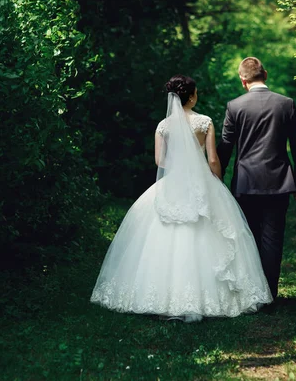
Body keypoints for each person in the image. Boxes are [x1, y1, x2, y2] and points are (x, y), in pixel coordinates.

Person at [90, 75, 272, 322]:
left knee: (160, 237)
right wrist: (216, 180)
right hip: (201, 182)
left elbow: (159, 161)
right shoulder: (204, 123)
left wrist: (178, 169)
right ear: (192, 96)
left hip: (173, 182)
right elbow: (213, 159)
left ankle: (162, 296)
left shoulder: (163, 126)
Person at [217, 57, 296, 300]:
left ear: (242, 80)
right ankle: (269, 294)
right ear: (265, 75)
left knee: (249, 238)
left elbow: (226, 145)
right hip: (279, 182)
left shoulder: (235, 106)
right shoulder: (285, 104)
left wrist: (216, 175)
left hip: (246, 183)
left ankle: (252, 293)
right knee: (273, 238)